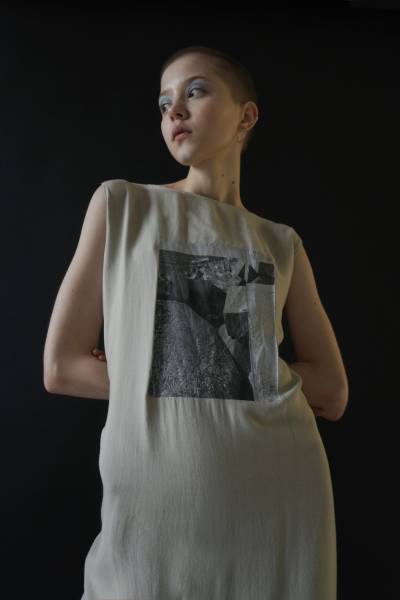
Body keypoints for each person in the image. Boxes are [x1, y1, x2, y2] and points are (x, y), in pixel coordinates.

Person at [44, 45, 349, 600]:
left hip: (277, 500)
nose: (175, 111)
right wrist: (198, 362)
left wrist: (191, 361)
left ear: (246, 115)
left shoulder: (281, 243)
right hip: (154, 509)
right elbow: (62, 367)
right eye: (164, 103)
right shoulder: (122, 206)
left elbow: (331, 389)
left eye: (196, 91)